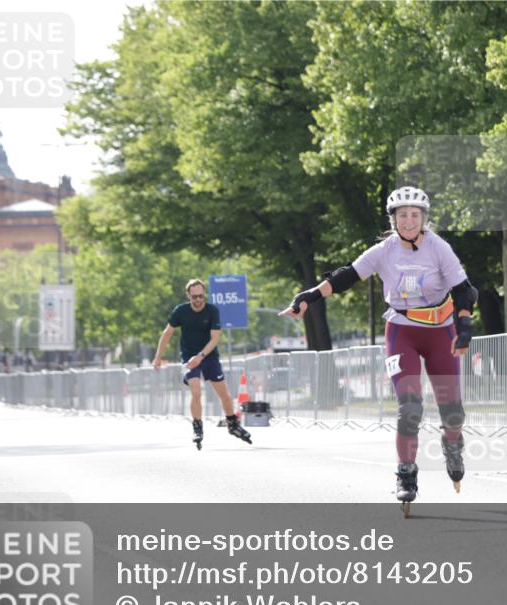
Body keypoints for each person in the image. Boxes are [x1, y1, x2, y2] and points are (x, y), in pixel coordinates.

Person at [281, 186, 477, 515]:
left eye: (415, 215)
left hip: (441, 332)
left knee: (452, 411)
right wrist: (308, 296)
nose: (409, 221)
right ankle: (406, 473)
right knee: (410, 406)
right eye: (403, 216)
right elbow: (344, 277)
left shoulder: (438, 247)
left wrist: (465, 327)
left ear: (424, 219)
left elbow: (464, 291)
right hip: (402, 332)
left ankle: (453, 443)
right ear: (393, 220)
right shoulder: (384, 250)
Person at [153, 278, 252, 450]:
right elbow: (167, 333)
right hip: (188, 357)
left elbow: (215, 338)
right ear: (188, 296)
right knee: (196, 391)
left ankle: (232, 424)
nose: (198, 300)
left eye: (201, 296)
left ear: (204, 294)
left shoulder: (212, 310)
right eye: (194, 297)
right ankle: (197, 427)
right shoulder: (180, 311)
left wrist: (200, 356)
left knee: (224, 394)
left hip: (209, 356)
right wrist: (158, 357)